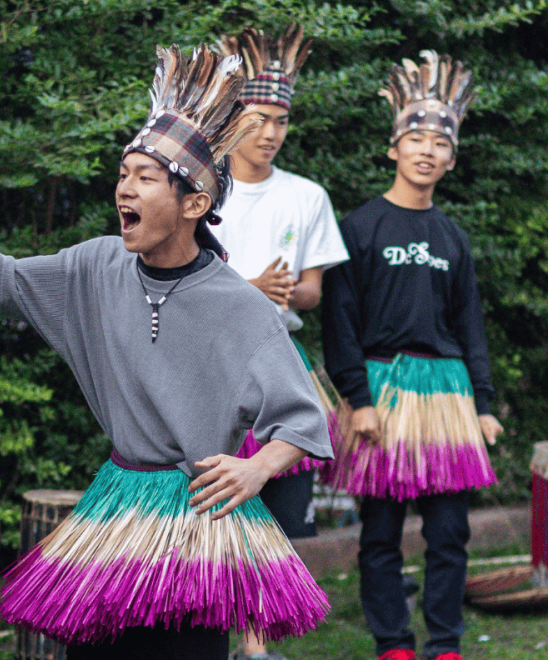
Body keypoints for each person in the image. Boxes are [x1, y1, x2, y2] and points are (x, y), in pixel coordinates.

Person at [0, 45, 331, 659]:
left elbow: (303, 419)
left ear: (194, 203)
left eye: (145, 177)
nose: (124, 189)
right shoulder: (96, 266)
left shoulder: (240, 306)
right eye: (123, 173)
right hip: (117, 508)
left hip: (197, 519)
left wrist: (255, 468)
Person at [319, 51, 502, 660]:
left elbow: (470, 326)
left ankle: (444, 643)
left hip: (447, 394)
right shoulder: (359, 227)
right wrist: (357, 399)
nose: (427, 151)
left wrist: (485, 403)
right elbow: (340, 320)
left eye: (439, 143)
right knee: (381, 533)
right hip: (382, 390)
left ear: (452, 157)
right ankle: (393, 642)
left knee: (450, 531)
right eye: (415, 138)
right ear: (394, 147)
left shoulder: (453, 237)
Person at [214, 23, 348, 660]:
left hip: (280, 361)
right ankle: (214, 630)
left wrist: (283, 291)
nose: (270, 132)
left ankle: (257, 640)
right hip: (209, 365)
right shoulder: (200, 186)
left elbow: (315, 292)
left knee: (277, 502)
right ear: (234, 115)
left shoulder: (306, 196)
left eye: (281, 122)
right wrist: (246, 286)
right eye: (260, 117)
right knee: (211, 495)